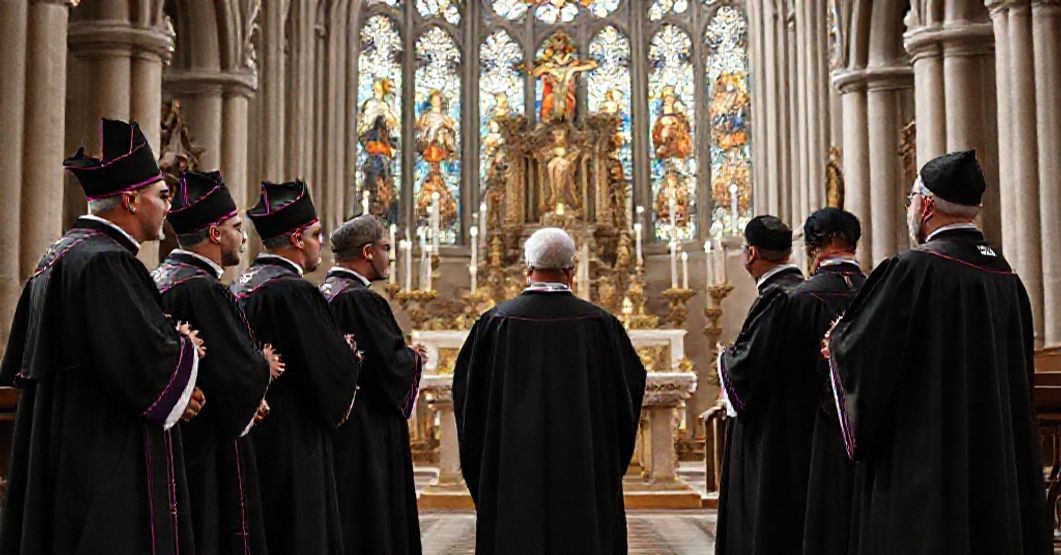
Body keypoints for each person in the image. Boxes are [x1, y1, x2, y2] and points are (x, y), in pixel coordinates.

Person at [824, 150, 1051, 554]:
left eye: (911, 199)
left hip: (926, 465)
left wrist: (838, 341)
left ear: (926, 205)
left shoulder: (912, 269)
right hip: (994, 464)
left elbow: (861, 353)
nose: (910, 207)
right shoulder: (1007, 278)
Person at [0, 118, 206, 554]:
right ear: (131, 199)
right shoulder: (107, 263)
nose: (169, 208)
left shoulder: (56, 256)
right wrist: (185, 347)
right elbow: (146, 364)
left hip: (59, 448)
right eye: (162, 195)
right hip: (104, 454)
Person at [453, 227, 646, 554]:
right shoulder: (600, 325)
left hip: (512, 474)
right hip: (583, 474)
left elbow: (470, 400)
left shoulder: (495, 323)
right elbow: (626, 396)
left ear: (526, 269)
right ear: (573, 271)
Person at [152, 169, 280, 555]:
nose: (243, 237)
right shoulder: (203, 288)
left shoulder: (160, 277)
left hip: (174, 442)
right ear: (215, 233)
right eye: (237, 228)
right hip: (208, 447)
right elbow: (234, 369)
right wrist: (263, 368)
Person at [232, 179, 361, 555]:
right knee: (299, 532)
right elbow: (328, 368)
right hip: (294, 439)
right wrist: (347, 355)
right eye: (317, 234)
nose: (323, 243)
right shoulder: (295, 290)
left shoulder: (242, 284)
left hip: (255, 431)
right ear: (297, 239)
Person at [321, 215, 425, 555]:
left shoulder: (325, 291)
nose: (390, 256)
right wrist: (413, 357)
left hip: (338, 423)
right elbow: (387, 366)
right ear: (367, 252)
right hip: (367, 429)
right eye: (385, 247)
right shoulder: (360, 299)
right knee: (371, 515)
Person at [715, 215, 805, 555]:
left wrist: (725, 359)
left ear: (751, 253)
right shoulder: (803, 289)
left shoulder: (775, 297)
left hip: (773, 433)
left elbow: (746, 368)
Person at [791, 208, 867, 555]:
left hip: (816, 432)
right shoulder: (879, 291)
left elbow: (787, 375)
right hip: (872, 431)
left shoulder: (802, 298)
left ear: (814, 246)